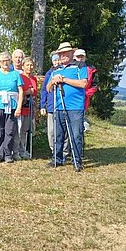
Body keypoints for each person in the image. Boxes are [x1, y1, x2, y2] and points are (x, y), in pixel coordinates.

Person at [46, 42, 88, 172]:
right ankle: (57, 159)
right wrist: (53, 81)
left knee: (76, 135)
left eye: (65, 53)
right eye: (61, 53)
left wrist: (64, 80)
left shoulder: (80, 66)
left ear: (71, 53)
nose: (63, 55)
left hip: (75, 107)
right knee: (58, 135)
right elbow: (48, 88)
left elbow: (83, 84)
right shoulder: (55, 70)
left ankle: (77, 160)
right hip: (58, 107)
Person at [0, 52, 24, 163]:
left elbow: (20, 91)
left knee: (10, 131)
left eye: (7, 60)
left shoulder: (15, 74)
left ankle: (8, 154)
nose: (4, 63)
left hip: (12, 106)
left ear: (10, 61)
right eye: (2, 61)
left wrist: (19, 107)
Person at [13, 56, 37, 160]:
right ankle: (16, 151)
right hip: (21, 107)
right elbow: (19, 92)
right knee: (18, 130)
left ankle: (23, 150)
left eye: (31, 65)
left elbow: (35, 93)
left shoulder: (34, 79)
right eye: (27, 65)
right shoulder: (20, 77)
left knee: (24, 130)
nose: (30, 67)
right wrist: (28, 92)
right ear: (23, 66)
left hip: (29, 108)